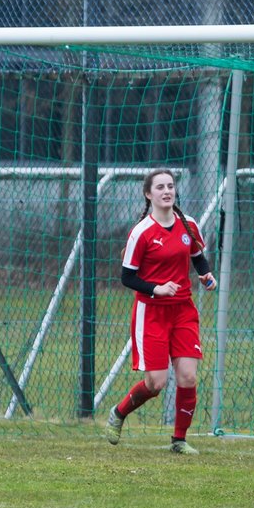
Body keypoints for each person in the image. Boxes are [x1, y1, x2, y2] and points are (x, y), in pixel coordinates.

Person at [105, 169, 217, 454]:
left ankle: (179, 440)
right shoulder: (141, 232)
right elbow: (127, 277)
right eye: (160, 187)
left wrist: (206, 276)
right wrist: (156, 288)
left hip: (183, 310)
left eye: (170, 186)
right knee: (156, 383)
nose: (167, 191)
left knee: (188, 377)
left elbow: (197, 257)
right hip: (151, 313)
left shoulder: (188, 224)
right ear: (148, 194)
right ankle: (119, 412)